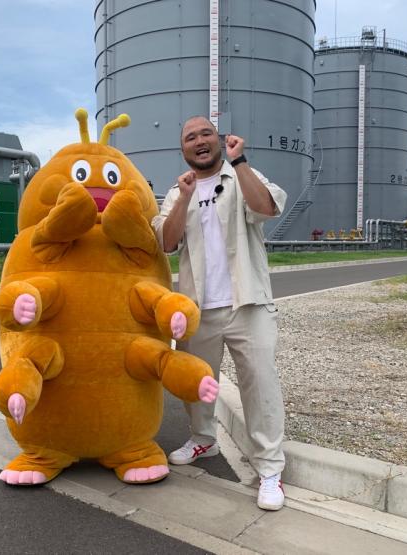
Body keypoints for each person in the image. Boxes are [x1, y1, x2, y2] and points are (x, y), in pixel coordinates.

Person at [151, 116, 288, 511]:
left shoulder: (240, 173)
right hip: (199, 306)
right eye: (190, 137)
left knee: (260, 384)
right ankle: (203, 440)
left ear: (219, 139)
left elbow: (266, 207)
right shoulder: (179, 190)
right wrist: (183, 197)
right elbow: (166, 242)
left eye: (205, 133)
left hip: (248, 302)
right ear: (183, 149)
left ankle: (270, 469)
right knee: (198, 382)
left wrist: (241, 161)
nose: (199, 141)